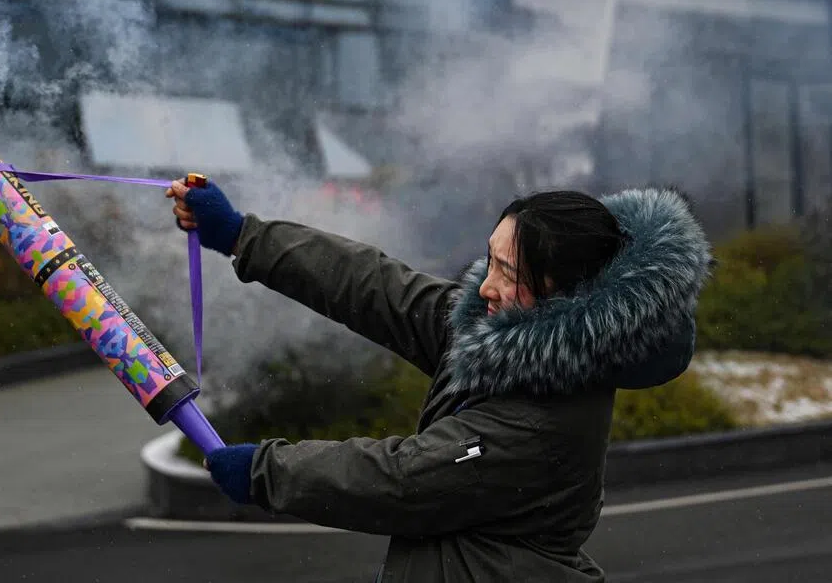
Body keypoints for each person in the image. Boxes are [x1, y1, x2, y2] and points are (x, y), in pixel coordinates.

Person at [166, 180, 712, 582]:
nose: (486, 287)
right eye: (490, 261)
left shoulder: (545, 419)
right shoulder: (504, 335)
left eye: (509, 273)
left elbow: (400, 479)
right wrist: (244, 235)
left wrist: (264, 470)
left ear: (561, 290)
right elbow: (377, 287)